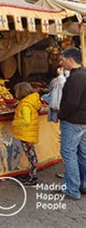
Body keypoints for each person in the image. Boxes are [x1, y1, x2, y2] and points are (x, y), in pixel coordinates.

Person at [57, 48, 86, 200]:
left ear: (70, 59)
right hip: (83, 121)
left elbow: (72, 103)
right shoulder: (83, 74)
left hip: (73, 121)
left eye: (62, 59)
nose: (61, 63)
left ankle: (72, 190)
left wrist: (61, 114)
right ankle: (83, 185)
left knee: (69, 154)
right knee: (82, 153)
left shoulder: (75, 78)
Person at [13, 82, 42, 186]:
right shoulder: (32, 101)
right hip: (30, 133)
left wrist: (15, 122)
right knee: (32, 155)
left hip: (26, 134)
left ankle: (33, 178)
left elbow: (26, 120)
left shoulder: (25, 105)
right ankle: (31, 174)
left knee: (31, 156)